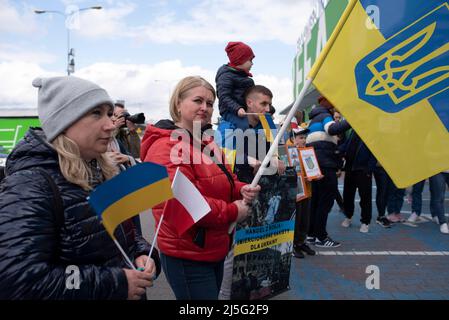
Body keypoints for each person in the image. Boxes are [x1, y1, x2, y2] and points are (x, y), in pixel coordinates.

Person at [0, 76, 159, 300]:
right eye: (96, 113)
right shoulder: (30, 184)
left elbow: (124, 234)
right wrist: (115, 283)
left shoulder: (102, 170)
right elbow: (18, 280)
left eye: (108, 113)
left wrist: (141, 253)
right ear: (64, 121)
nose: (110, 124)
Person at [140, 76, 260, 300]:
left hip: (213, 246)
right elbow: (182, 204)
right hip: (187, 253)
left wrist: (241, 189)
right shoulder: (165, 146)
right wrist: (233, 211)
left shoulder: (206, 141)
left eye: (210, 103)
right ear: (178, 103)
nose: (205, 108)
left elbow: (225, 179)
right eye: (198, 101)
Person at [216, 85, 285, 300]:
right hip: (234, 197)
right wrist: (247, 159)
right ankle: (224, 296)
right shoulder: (228, 124)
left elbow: (275, 152)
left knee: (253, 246)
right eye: (263, 103)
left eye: (269, 104)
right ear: (250, 103)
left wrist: (275, 159)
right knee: (231, 250)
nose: (268, 108)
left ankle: (249, 290)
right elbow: (219, 155)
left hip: (259, 196)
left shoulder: (267, 127)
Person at [306, 95, 350, 248]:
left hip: (315, 164)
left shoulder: (314, 118)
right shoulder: (325, 115)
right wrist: (351, 120)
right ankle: (321, 237)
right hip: (325, 163)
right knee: (325, 201)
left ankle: (311, 234)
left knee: (316, 201)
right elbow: (332, 129)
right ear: (325, 102)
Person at [339, 130, 377, 233]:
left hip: (363, 170)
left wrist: (369, 170)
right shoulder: (353, 131)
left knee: (365, 197)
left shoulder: (371, 133)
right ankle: (348, 216)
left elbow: (374, 153)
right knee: (347, 195)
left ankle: (365, 222)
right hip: (350, 169)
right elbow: (346, 145)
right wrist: (336, 150)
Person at [216, 41, 255, 130]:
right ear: (241, 60)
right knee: (243, 127)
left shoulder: (246, 79)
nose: (252, 63)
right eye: (250, 60)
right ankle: (242, 143)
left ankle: (269, 143)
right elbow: (223, 96)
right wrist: (237, 108)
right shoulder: (226, 76)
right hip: (231, 111)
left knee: (265, 124)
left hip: (244, 110)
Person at [291, 127, 316, 259]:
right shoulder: (289, 152)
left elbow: (313, 170)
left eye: (305, 138)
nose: (304, 140)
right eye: (301, 138)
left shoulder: (308, 152)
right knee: (297, 219)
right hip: (296, 193)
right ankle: (293, 245)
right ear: (293, 139)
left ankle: (301, 242)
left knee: (305, 220)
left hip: (307, 191)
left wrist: (315, 176)